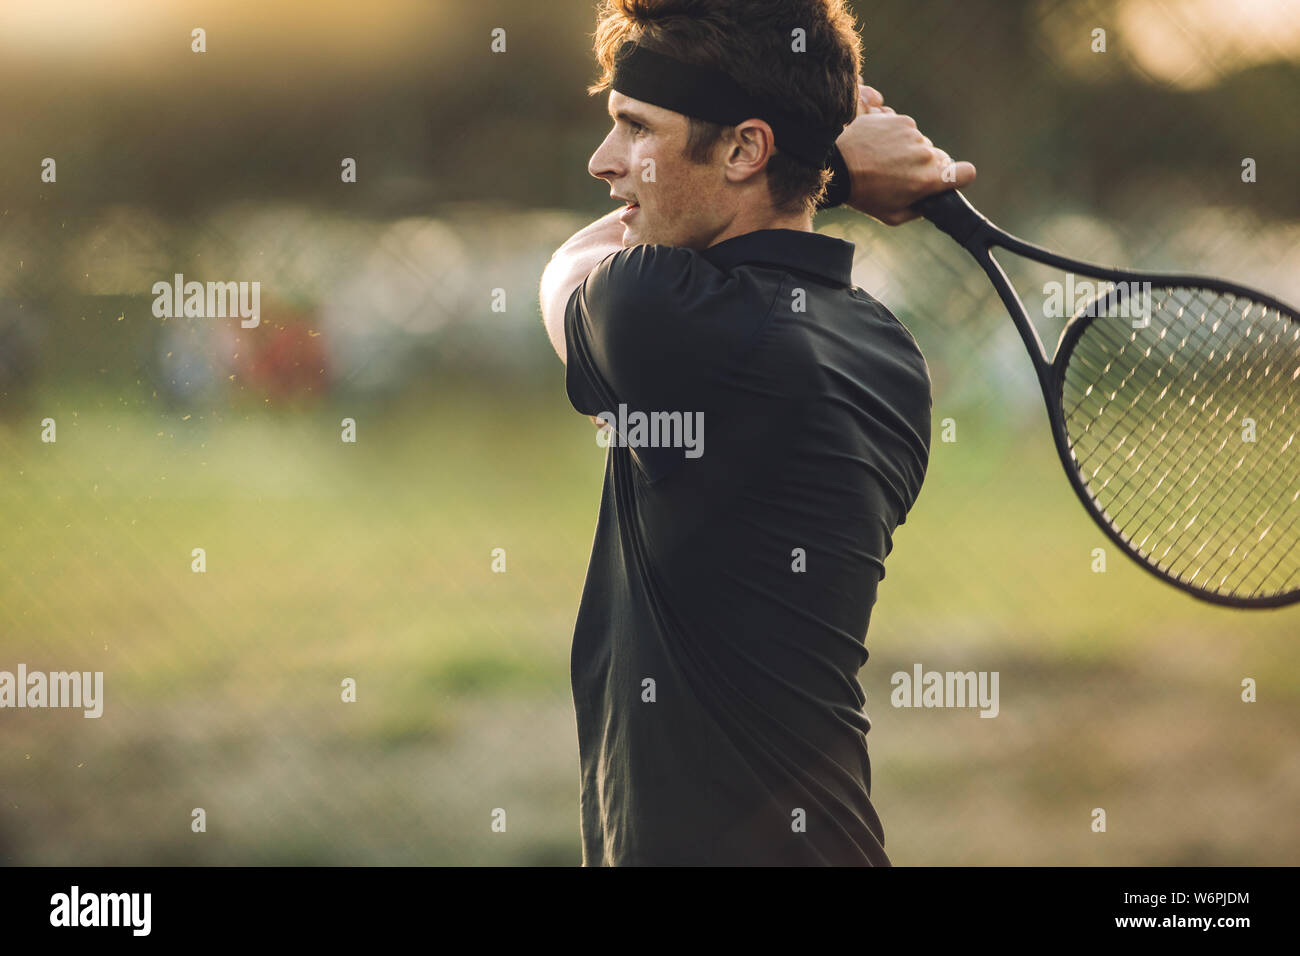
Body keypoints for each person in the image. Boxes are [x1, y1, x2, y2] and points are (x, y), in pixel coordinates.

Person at [538, 0, 975, 866]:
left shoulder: (659, 318)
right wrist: (816, 166)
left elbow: (565, 274)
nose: (602, 161)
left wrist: (835, 168)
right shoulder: (885, 350)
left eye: (635, 128)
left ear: (745, 149)